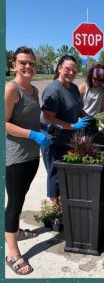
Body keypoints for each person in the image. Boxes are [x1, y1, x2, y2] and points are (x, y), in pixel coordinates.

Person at [5, 46, 52, 275]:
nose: (27, 67)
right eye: (22, 62)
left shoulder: (33, 90)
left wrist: (43, 128)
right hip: (15, 157)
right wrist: (32, 135)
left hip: (33, 155)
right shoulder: (11, 90)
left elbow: (31, 118)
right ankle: (12, 252)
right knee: (13, 203)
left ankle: (15, 230)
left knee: (20, 196)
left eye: (31, 63)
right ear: (14, 65)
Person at [41, 55, 90, 206]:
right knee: (55, 174)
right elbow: (49, 118)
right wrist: (72, 126)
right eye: (68, 69)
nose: (71, 73)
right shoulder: (53, 90)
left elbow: (78, 109)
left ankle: (64, 204)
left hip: (69, 139)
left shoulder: (74, 88)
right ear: (59, 68)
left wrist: (88, 117)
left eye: (75, 70)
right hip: (53, 140)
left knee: (65, 173)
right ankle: (55, 208)